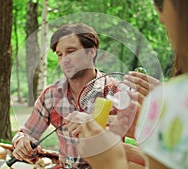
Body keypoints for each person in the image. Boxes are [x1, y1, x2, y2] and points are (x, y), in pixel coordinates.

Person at [65, 0, 188, 168]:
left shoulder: (179, 98)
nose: (162, 17)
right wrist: (147, 134)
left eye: (166, 3)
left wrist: (111, 164)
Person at [11, 23, 127, 168]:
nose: (64, 60)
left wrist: (93, 124)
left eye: (71, 52)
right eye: (60, 54)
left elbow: (133, 135)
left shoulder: (114, 91)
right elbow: (27, 133)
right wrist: (23, 142)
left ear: (91, 52)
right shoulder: (51, 95)